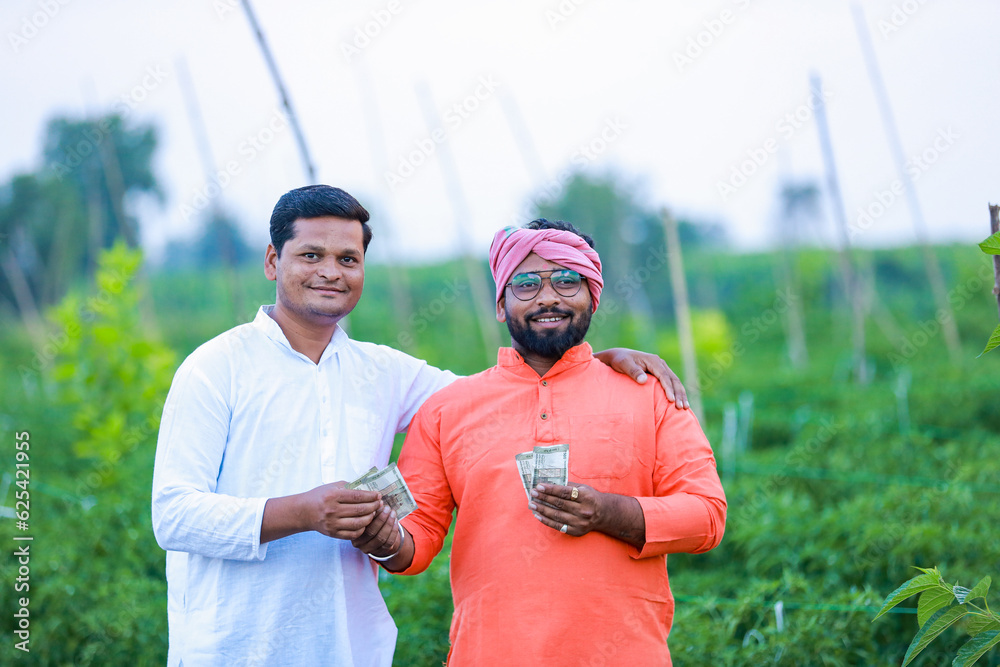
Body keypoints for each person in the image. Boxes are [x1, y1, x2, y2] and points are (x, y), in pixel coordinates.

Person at [151, 185, 689, 667]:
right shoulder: (215, 368)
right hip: (236, 643)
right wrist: (302, 511)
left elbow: (504, 394)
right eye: (310, 255)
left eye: (348, 258)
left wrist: (593, 360)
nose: (330, 272)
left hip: (350, 646)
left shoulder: (384, 371)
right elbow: (172, 515)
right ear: (273, 261)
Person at [365, 219, 727, 666]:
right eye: (526, 284)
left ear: (593, 294)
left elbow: (707, 516)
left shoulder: (649, 392)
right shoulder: (448, 409)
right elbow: (415, 543)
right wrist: (381, 536)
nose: (549, 296)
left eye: (568, 280)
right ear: (501, 304)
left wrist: (609, 512)